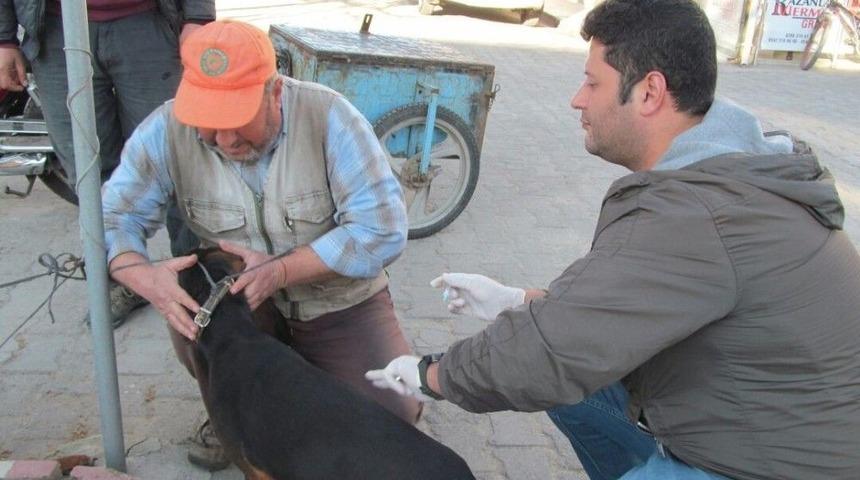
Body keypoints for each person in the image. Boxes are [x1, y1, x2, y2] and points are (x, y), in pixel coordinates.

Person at [366, 0, 860, 478]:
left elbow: (552, 350)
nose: (577, 99)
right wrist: (516, 301)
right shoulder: (725, 171)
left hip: (774, 463)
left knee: (555, 363)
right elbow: (605, 313)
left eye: (591, 82)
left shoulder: (695, 212)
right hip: (769, 413)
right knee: (576, 382)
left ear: (649, 92)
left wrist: (432, 375)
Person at [101, 20, 420, 472]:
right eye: (209, 124)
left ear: (275, 92)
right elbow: (113, 217)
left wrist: (281, 270)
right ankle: (233, 408)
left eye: (236, 121)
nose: (224, 139)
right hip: (237, 305)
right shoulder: (167, 128)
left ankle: (314, 385)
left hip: (336, 300)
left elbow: (383, 229)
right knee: (194, 315)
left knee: (393, 417)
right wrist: (140, 275)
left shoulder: (330, 116)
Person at [0, 0, 212, 326]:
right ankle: (125, 280)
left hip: (148, 24)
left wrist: (198, 16)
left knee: (177, 158)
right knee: (89, 172)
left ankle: (197, 281)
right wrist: (4, 39)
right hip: (58, 30)